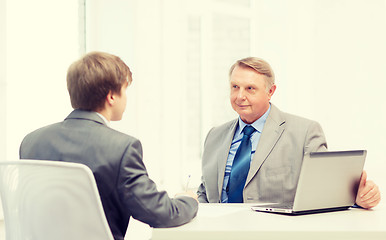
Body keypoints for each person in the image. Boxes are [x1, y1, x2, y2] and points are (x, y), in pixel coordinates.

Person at [19, 51, 198, 240]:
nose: (126, 98)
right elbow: (160, 213)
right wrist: (188, 200)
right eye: (125, 90)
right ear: (111, 96)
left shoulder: (31, 142)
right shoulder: (123, 148)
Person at [197, 57, 381, 209]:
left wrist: (358, 198)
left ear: (270, 91)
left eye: (250, 88)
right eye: (235, 87)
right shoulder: (214, 136)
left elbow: (326, 193)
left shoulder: (305, 133)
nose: (239, 96)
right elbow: (205, 193)